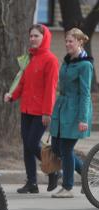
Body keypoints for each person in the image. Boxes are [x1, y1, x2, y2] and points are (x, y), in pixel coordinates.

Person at [4, 24, 59, 194]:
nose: (33, 39)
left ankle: (53, 170)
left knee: (31, 143)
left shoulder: (51, 60)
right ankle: (32, 183)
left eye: (36, 36)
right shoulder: (30, 57)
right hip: (26, 108)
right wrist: (12, 95)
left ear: (44, 38)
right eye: (31, 36)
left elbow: (51, 88)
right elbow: (22, 82)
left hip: (41, 111)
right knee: (27, 147)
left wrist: (47, 112)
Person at [49, 28, 93, 198]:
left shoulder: (85, 65)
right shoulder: (67, 62)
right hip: (62, 110)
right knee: (56, 147)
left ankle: (67, 187)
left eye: (71, 41)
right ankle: (87, 175)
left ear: (80, 42)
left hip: (75, 113)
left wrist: (83, 118)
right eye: (66, 41)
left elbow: (85, 93)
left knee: (66, 149)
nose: (67, 44)